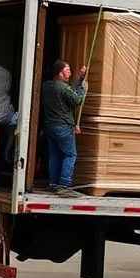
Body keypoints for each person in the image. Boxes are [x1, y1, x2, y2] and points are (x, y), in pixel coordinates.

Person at [41, 60, 87, 191]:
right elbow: (76, 100)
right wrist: (82, 88)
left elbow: (68, 92)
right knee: (70, 155)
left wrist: (80, 79)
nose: (70, 73)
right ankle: (64, 184)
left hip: (50, 126)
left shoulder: (46, 86)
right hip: (63, 127)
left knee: (54, 155)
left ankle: (53, 183)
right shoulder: (63, 88)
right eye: (67, 70)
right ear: (60, 73)